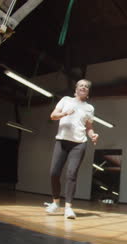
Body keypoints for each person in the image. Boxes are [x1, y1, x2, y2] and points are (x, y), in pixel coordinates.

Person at [44, 79, 99, 219]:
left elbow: (89, 127)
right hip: (62, 141)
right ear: (76, 89)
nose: (83, 87)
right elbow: (53, 115)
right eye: (81, 85)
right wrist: (65, 114)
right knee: (54, 172)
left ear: (88, 92)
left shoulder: (89, 108)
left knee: (71, 173)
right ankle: (56, 203)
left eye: (86, 86)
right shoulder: (66, 100)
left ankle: (68, 207)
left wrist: (93, 135)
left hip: (79, 143)